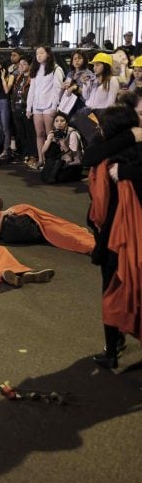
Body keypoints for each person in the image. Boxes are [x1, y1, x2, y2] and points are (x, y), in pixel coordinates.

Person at [83, 106, 142, 368]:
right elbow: (89, 155)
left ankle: (113, 350)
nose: (98, 129)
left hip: (125, 237)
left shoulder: (128, 160)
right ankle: (113, 345)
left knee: (124, 290)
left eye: (102, 125)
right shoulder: (108, 149)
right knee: (116, 289)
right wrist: (130, 136)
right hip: (112, 236)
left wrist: (127, 173)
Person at [0, 204, 95, 255]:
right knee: (67, 234)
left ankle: (94, 247)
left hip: (41, 225)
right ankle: (94, 247)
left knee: (66, 234)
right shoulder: (5, 217)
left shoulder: (6, 215)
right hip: (42, 225)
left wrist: (3, 215)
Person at [26, 46, 64, 170]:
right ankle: (41, 159)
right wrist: (29, 107)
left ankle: (51, 160)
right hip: (37, 106)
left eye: (41, 53)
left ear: (48, 54)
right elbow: (32, 90)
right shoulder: (35, 70)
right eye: (37, 53)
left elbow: (57, 89)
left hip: (49, 106)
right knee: (39, 134)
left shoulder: (56, 69)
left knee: (50, 135)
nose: (39, 55)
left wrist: (54, 106)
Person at [39, 111, 84, 183]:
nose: (59, 123)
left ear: (66, 123)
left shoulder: (72, 134)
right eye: (56, 121)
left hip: (73, 164)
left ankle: (77, 176)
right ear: (54, 124)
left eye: (62, 121)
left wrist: (63, 143)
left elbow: (72, 156)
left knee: (59, 178)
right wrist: (49, 140)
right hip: (61, 163)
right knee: (45, 176)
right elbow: (43, 151)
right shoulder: (53, 133)